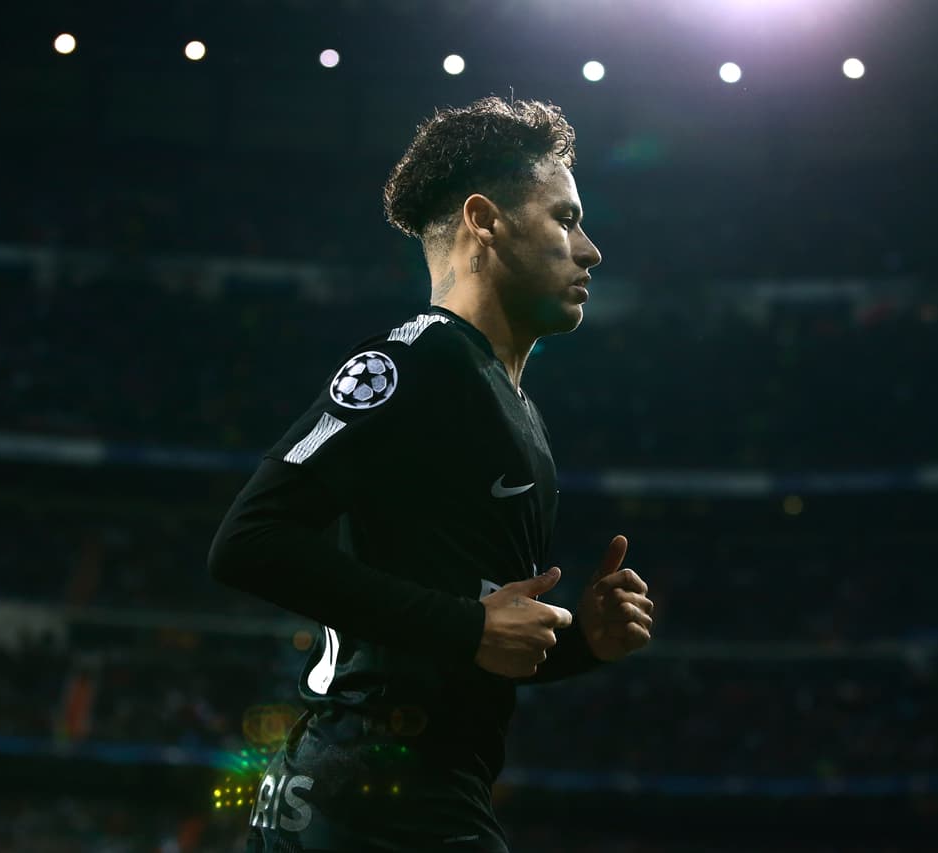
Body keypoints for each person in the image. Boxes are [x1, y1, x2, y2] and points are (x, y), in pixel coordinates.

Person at [209, 96, 655, 853]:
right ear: (485, 221)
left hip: (391, 789)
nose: (591, 251)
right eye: (565, 219)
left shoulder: (507, 399)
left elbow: (458, 643)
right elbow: (248, 541)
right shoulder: (418, 359)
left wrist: (583, 642)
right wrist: (470, 626)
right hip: (377, 790)